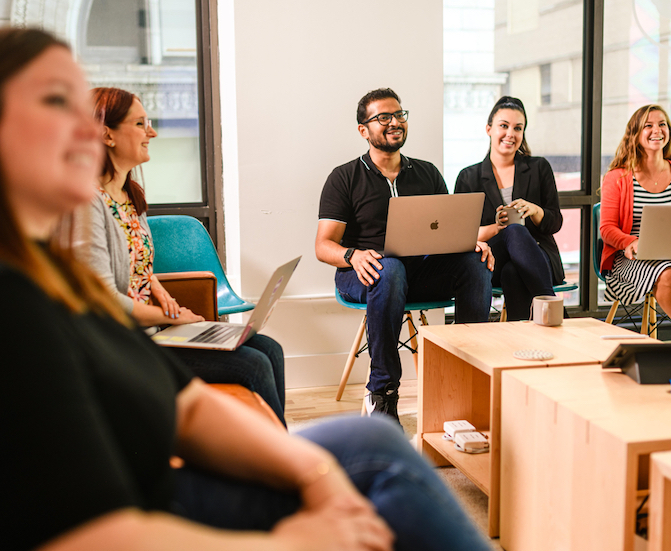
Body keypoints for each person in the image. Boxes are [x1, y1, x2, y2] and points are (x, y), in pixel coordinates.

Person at [0, 27, 494, 551]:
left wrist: (310, 473)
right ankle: (383, 392)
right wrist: (297, 540)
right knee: (378, 463)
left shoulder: (60, 277)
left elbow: (185, 406)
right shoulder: (18, 309)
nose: (88, 127)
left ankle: (466, 379)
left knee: (369, 438)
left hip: (167, 471)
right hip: (155, 507)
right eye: (58, 101)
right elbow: (92, 535)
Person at [77, 86, 287, 425]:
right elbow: (105, 300)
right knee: (254, 363)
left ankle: (281, 452)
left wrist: (154, 283)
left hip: (155, 330)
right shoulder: (86, 204)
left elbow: (134, 262)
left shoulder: (130, 195)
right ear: (106, 134)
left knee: (269, 348)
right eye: (140, 123)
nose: (153, 132)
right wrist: (173, 318)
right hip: (126, 344)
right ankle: (278, 464)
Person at [316, 88, 493, 420]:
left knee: (475, 263)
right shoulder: (344, 178)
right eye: (383, 117)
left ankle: (467, 377)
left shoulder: (426, 173)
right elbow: (323, 246)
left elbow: (447, 233)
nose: (394, 122)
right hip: (365, 273)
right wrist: (353, 255)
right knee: (390, 267)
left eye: (399, 115)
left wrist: (470, 242)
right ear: (363, 130)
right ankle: (382, 394)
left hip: (418, 274)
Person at [454, 96, 564, 321]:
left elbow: (555, 222)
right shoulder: (469, 177)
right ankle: (554, 310)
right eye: (503, 126)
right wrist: (497, 227)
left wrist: (534, 210)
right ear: (489, 129)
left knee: (513, 273)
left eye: (518, 128)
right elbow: (463, 236)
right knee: (512, 230)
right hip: (491, 259)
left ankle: (519, 345)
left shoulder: (539, 167)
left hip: (540, 256)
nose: (510, 134)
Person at [600, 104, 671, 337]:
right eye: (648, 125)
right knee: (668, 273)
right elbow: (607, 229)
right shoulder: (617, 177)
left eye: (662, 124)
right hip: (632, 259)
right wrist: (631, 242)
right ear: (635, 134)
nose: (656, 130)